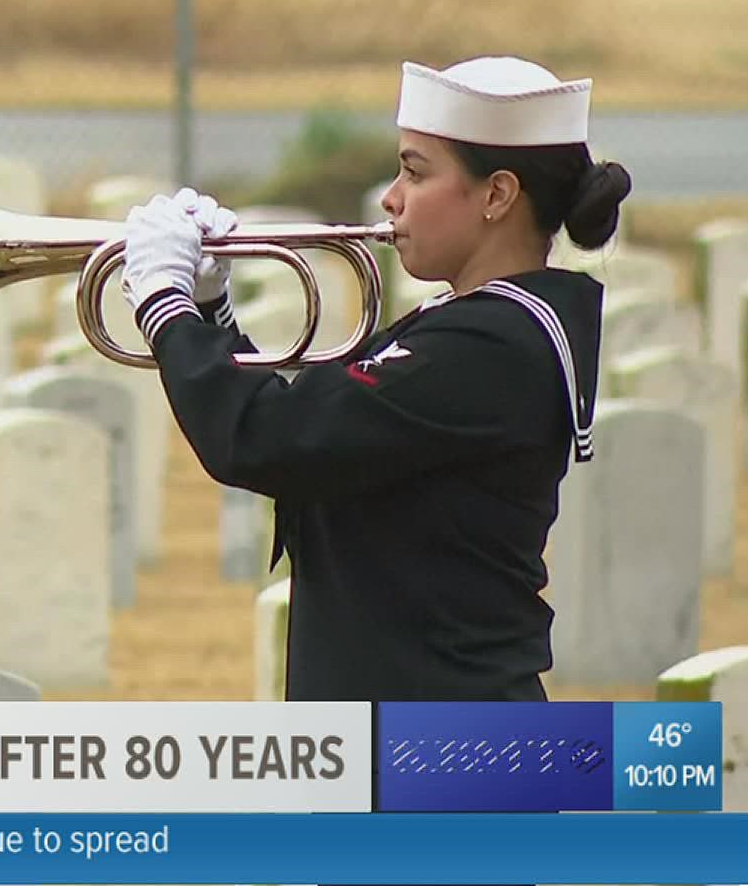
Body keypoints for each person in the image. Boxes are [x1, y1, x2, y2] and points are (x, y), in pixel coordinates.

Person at [120, 55, 633, 704]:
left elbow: (268, 441)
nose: (391, 197)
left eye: (415, 172)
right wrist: (210, 310)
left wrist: (164, 304)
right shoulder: (477, 324)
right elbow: (319, 429)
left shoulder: (490, 346)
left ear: (498, 195)